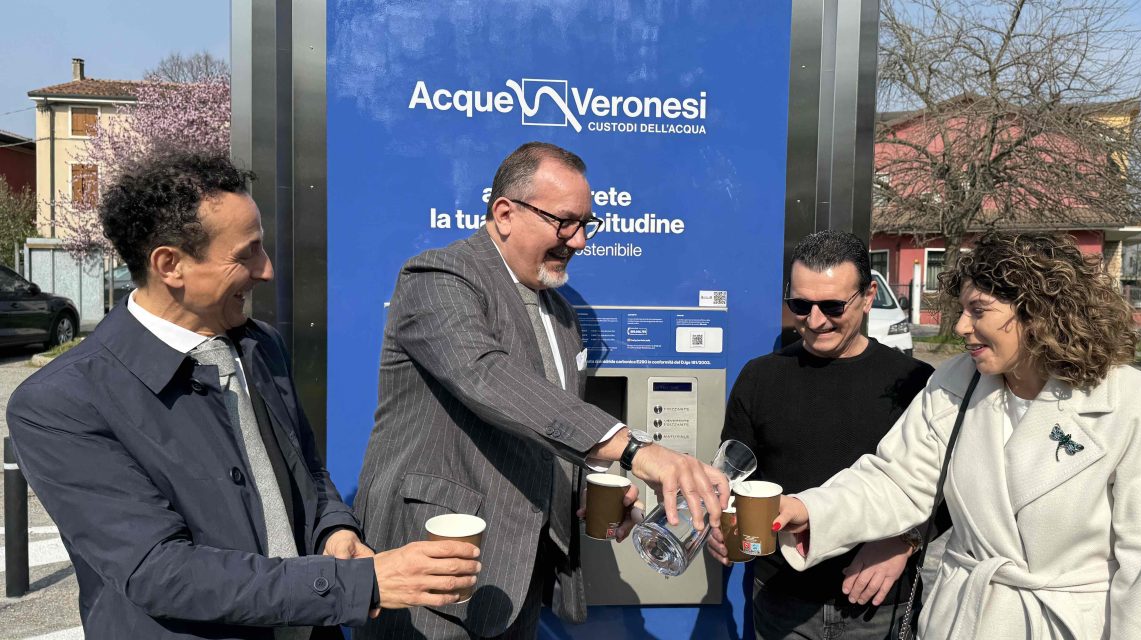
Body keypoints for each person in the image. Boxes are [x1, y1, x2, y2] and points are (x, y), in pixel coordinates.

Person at [6, 152, 482, 638]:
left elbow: (308, 472)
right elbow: (160, 573)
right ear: (170, 265)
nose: (266, 270)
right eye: (246, 253)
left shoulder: (260, 345)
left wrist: (334, 530)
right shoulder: (60, 403)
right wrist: (362, 583)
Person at [353, 142, 730, 639]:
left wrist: (595, 487)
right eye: (565, 222)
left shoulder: (562, 314)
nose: (579, 241)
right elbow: (486, 375)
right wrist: (634, 450)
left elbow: (545, 421)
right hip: (434, 570)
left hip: (519, 575)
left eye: (586, 224)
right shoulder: (439, 276)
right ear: (505, 213)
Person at [772, 233, 1141, 639]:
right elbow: (897, 479)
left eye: (978, 311)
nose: (961, 326)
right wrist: (808, 509)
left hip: (1069, 624)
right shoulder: (956, 382)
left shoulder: (1128, 401)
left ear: (1037, 312)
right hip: (965, 619)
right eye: (962, 310)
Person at [712, 230, 938, 640]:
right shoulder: (760, 377)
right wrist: (724, 527)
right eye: (800, 305)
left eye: (833, 306)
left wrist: (906, 540)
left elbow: (949, 488)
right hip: (781, 601)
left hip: (880, 607)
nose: (815, 321)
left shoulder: (915, 382)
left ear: (868, 296)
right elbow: (733, 478)